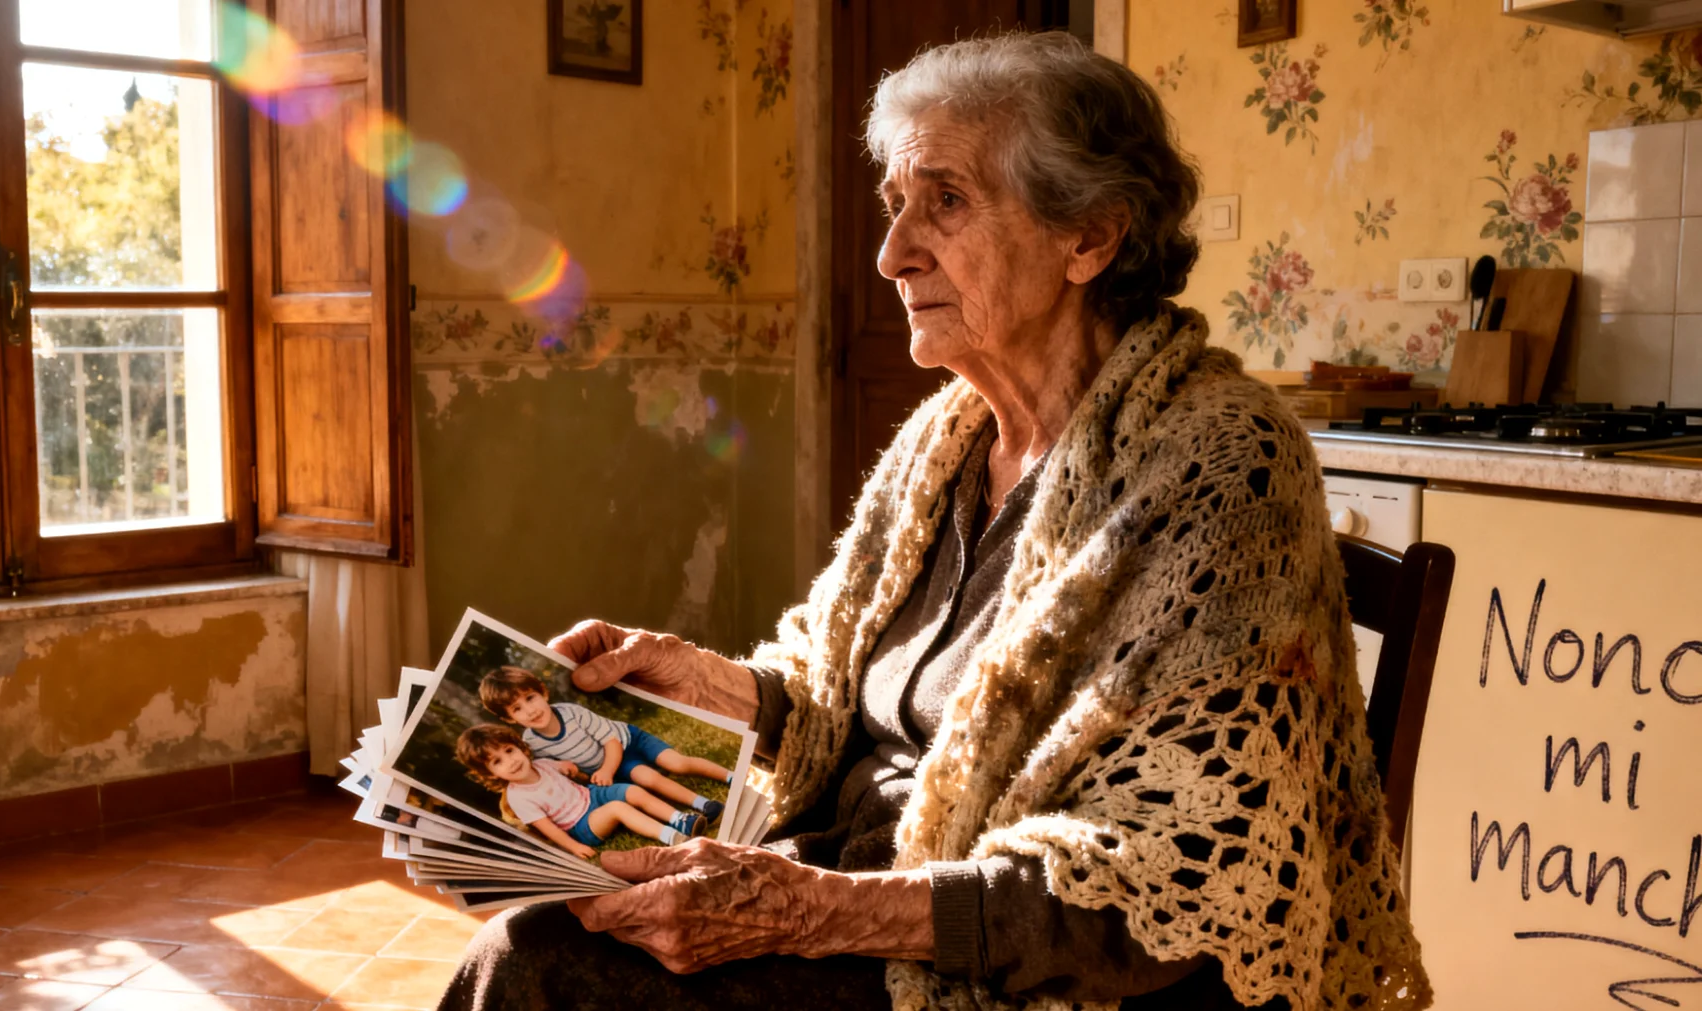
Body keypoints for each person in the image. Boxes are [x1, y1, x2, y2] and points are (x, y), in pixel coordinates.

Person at [437, 30, 1428, 1011]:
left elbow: (1172, 885)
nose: (892, 254)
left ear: (1090, 236)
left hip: (1023, 968)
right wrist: (704, 682)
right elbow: (843, 697)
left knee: (536, 973)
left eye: (945, 202)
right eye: (894, 204)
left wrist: (811, 910)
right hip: (862, 877)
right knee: (540, 926)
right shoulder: (946, 441)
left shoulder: (1217, 467)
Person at [479, 667, 729, 821]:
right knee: (647, 779)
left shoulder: (571, 713)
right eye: (518, 709)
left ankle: (729, 777)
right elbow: (567, 772)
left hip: (626, 743)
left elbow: (612, 742)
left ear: (543, 692)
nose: (530, 711)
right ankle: (704, 804)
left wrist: (607, 771)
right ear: (509, 718)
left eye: (530, 698)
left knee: (677, 763)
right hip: (610, 768)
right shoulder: (531, 744)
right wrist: (576, 772)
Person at [455, 724, 705, 861]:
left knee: (631, 791)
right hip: (581, 824)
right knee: (619, 808)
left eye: (509, 751)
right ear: (490, 774)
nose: (510, 762)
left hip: (591, 796)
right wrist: (574, 847)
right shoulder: (519, 797)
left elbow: (570, 772)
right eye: (497, 762)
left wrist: (569, 768)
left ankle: (680, 819)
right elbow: (548, 828)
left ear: (520, 747)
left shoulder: (542, 764)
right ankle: (671, 837)